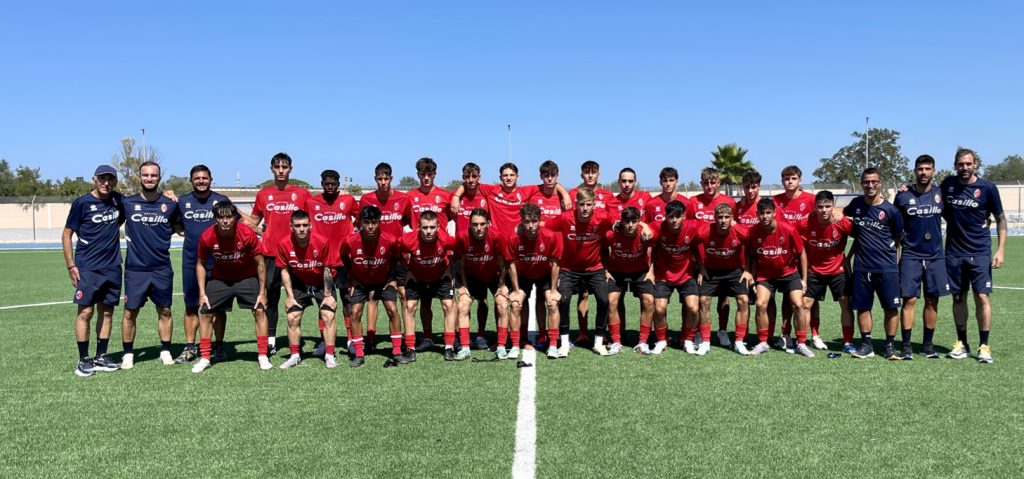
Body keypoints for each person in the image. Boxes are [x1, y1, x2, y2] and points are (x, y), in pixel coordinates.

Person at [941, 148, 1006, 363]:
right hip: (954, 251)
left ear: (975, 164)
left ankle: (984, 345)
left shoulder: (987, 188)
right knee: (958, 297)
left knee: (982, 296)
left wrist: (1000, 250)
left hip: (979, 251)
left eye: (968, 164)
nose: (965, 167)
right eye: (961, 164)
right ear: (955, 165)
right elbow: (931, 198)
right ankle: (962, 344)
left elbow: (1000, 218)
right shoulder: (948, 184)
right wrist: (908, 188)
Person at [62, 164, 125, 377]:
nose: (106, 183)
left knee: (107, 311)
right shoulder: (82, 203)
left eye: (110, 179)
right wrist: (71, 265)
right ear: (94, 180)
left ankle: (101, 356)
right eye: (102, 179)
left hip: (113, 266)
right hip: (88, 267)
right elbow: (66, 234)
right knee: (86, 312)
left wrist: (167, 194)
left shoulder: (118, 200)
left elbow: (136, 206)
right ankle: (83, 359)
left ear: (115, 181)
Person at [193, 201, 271, 372]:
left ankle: (262, 355)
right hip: (220, 278)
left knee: (259, 310)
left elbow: (260, 263)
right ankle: (205, 357)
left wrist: (262, 292)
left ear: (235, 217)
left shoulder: (246, 233)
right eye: (221, 217)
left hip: (246, 276)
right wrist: (202, 293)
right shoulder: (207, 236)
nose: (225, 221)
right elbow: (200, 264)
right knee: (206, 312)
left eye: (229, 216)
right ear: (215, 218)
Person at [246, 152, 312, 356]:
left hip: (296, 254)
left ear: (291, 169)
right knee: (270, 298)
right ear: (272, 169)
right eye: (277, 167)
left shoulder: (302, 194)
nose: (281, 170)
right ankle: (271, 340)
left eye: (285, 167)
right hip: (270, 253)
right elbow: (253, 222)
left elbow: (313, 219)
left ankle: (297, 340)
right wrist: (260, 230)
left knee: (299, 298)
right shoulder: (263, 194)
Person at [120, 161, 184, 369]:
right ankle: (128, 354)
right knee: (130, 312)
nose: (149, 178)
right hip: (135, 269)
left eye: (153, 175)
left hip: (161, 268)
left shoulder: (171, 204)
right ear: (139, 177)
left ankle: (165, 350)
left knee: (165, 311)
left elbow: (181, 229)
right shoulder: (127, 203)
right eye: (146, 175)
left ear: (159, 177)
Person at [844, 168, 904, 359]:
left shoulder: (891, 210)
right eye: (866, 182)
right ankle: (866, 344)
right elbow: (841, 216)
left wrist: (893, 258)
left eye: (874, 182)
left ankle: (889, 345)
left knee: (891, 307)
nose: (870, 185)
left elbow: (898, 237)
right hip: (862, 266)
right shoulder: (856, 204)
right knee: (863, 306)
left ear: (880, 183)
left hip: (887, 267)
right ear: (861, 183)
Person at [894, 155, 949, 359]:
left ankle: (927, 344)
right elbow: (895, 224)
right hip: (911, 254)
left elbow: (956, 215)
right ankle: (906, 345)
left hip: (935, 255)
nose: (924, 172)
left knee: (932, 300)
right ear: (915, 170)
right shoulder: (903, 195)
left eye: (927, 169)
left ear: (933, 170)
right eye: (920, 169)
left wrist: (983, 220)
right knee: (909, 300)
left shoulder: (941, 193)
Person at [175, 165, 230, 364]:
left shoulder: (221, 200)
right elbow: (178, 226)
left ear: (210, 179)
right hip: (191, 262)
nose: (201, 181)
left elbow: (235, 222)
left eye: (204, 178)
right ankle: (190, 347)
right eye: (197, 178)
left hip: (218, 263)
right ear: (191, 180)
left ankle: (219, 346)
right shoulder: (183, 201)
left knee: (218, 308)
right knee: (191, 306)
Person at [550, 188, 615, 357]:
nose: (585, 208)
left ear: (594, 204)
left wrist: (641, 225)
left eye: (588, 204)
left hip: (595, 269)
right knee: (563, 302)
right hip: (569, 269)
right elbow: (545, 226)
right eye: (581, 204)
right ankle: (564, 344)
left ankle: (598, 343)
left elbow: (618, 222)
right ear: (576, 205)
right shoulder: (565, 218)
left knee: (604, 300)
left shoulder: (602, 217)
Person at [744, 198, 813, 357]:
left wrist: (804, 279)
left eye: (768, 212)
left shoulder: (788, 229)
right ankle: (763, 342)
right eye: (762, 213)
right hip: (765, 275)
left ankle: (801, 343)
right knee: (760, 304)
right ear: (757, 214)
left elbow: (801, 252)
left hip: (789, 273)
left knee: (798, 304)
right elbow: (751, 255)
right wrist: (750, 273)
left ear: (774, 213)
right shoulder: (753, 232)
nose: (765, 216)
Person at [276, 210, 340, 369]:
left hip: (321, 283)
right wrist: (289, 296)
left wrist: (327, 295)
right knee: (292, 317)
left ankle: (330, 355)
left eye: (305, 225)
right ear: (291, 226)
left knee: (328, 316)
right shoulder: (283, 243)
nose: (301, 229)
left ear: (310, 225)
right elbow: (284, 270)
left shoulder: (322, 241)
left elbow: (327, 269)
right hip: (300, 284)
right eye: (297, 225)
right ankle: (294, 355)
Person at [340, 206, 402, 367]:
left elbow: (397, 258)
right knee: (355, 313)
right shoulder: (350, 241)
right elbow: (343, 257)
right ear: (360, 222)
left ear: (379, 222)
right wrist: (352, 278)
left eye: (374, 222)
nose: (370, 226)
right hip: (360, 282)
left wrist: (391, 278)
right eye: (366, 222)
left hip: (383, 281)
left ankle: (397, 351)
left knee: (392, 309)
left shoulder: (390, 240)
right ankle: (359, 354)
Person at [359, 162, 412, 348]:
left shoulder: (403, 199)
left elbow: (409, 223)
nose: (383, 182)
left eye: (386, 178)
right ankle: (371, 337)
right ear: (375, 179)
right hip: (374, 256)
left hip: (397, 256)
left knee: (403, 294)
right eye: (380, 179)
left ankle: (405, 335)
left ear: (391, 178)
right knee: (372, 295)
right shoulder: (366, 199)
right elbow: (361, 225)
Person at [306, 169, 359, 358]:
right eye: (327, 183)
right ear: (322, 184)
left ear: (338, 184)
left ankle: (351, 340)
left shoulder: (348, 201)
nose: (330, 186)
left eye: (333, 183)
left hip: (343, 260)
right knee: (323, 302)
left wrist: (352, 236)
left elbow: (361, 218)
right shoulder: (311, 203)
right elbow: (300, 221)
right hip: (321, 261)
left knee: (347, 299)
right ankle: (323, 341)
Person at [399, 211, 461, 360]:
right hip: (417, 277)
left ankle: (449, 347)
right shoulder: (407, 240)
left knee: (448, 305)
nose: (428, 231)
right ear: (418, 227)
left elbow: (459, 250)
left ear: (438, 227)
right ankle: (410, 349)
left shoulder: (446, 239)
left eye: (432, 227)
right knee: (410, 306)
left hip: (440, 276)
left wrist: (449, 268)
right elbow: (397, 251)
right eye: (425, 227)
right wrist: (407, 269)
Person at [798, 191, 854, 353]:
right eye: (820, 207)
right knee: (806, 304)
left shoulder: (842, 222)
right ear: (815, 207)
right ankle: (807, 340)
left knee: (845, 303)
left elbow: (862, 237)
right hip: (814, 270)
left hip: (838, 270)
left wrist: (849, 257)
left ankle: (848, 342)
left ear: (833, 206)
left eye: (827, 206)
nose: (824, 210)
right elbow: (791, 236)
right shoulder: (805, 223)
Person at [567, 161, 616, 346]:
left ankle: (603, 332)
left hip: (602, 250)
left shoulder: (607, 195)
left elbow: (612, 220)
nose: (590, 175)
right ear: (581, 175)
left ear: (598, 174)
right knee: (583, 294)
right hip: (582, 248)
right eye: (586, 172)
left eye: (593, 172)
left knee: (604, 295)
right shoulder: (574, 193)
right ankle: (583, 332)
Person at [687, 168, 736, 348]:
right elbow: (689, 227)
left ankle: (722, 331)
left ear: (718, 183)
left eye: (713, 182)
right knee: (700, 299)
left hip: (723, 259)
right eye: (706, 183)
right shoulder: (693, 202)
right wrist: (700, 265)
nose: (709, 186)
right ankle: (699, 332)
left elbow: (733, 228)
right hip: (700, 260)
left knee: (723, 299)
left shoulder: (729, 202)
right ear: (701, 183)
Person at [505, 204, 562, 359]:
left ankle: (552, 345)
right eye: (527, 221)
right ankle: (515, 345)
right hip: (523, 275)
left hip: (544, 274)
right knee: (516, 304)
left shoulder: (550, 236)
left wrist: (554, 289)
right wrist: (516, 290)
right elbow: (511, 265)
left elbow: (555, 264)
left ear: (540, 221)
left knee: (553, 303)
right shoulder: (513, 238)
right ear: (521, 221)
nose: (530, 226)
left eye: (534, 221)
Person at [454, 209, 512, 358]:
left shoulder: (497, 236)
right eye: (475, 224)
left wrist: (502, 285)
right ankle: (465, 347)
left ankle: (501, 346)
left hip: (494, 275)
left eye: (482, 224)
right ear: (469, 224)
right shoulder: (462, 236)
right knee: (463, 305)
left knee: (502, 304)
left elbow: (503, 264)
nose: (478, 228)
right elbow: (461, 264)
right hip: (473, 275)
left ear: (488, 224)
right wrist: (463, 286)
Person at [695, 204, 751, 355]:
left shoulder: (741, 232)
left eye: (727, 217)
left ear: (732, 218)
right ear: (714, 218)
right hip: (711, 271)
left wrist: (747, 270)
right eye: (720, 217)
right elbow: (693, 247)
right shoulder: (703, 231)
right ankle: (705, 342)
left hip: (734, 271)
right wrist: (701, 268)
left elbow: (751, 249)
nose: (723, 220)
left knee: (743, 300)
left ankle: (739, 342)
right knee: (703, 301)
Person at [772, 165, 815, 352]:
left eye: (793, 178)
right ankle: (785, 333)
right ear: (782, 181)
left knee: (808, 297)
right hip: (783, 255)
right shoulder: (775, 201)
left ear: (800, 180)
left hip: (806, 254)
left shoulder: (811, 200)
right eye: (786, 178)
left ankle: (813, 334)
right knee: (786, 297)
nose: (790, 182)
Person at [650, 200, 701, 355]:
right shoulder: (658, 226)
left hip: (686, 275)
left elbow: (714, 226)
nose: (674, 220)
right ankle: (662, 340)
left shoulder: (693, 226)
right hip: (663, 276)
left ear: (683, 216)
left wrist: (702, 268)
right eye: (670, 217)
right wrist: (650, 270)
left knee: (693, 308)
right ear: (665, 216)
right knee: (659, 309)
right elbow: (639, 227)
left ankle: (688, 340)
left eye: (677, 216)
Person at [603, 206, 655, 355]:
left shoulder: (645, 234)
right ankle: (616, 341)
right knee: (611, 301)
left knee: (649, 300)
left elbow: (657, 249)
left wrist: (651, 271)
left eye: (634, 221)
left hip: (640, 271)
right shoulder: (612, 234)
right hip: (617, 272)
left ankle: (643, 341)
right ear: (622, 221)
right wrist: (606, 270)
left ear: (639, 221)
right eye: (627, 221)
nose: (630, 225)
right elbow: (602, 249)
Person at [606, 168, 651, 335]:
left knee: (647, 300)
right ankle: (619, 335)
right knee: (615, 301)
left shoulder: (646, 198)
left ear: (635, 182)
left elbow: (653, 224)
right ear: (619, 182)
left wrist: (644, 225)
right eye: (624, 181)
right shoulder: (611, 203)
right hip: (618, 262)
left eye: (630, 181)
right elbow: (613, 227)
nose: (627, 184)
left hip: (640, 261)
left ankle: (645, 337)